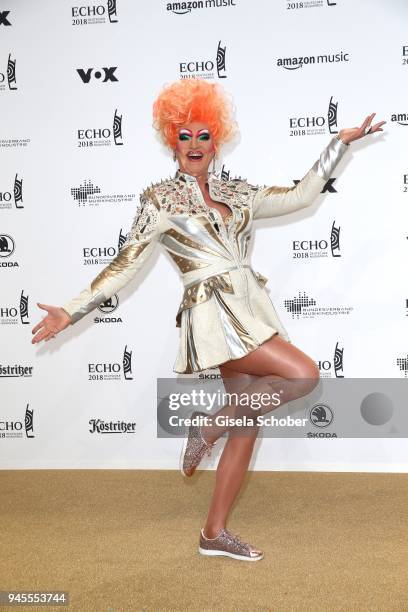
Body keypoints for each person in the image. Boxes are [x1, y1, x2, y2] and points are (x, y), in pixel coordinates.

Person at [31, 79, 385, 562]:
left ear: (216, 141)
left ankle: (213, 532)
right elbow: (125, 263)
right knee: (303, 375)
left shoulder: (239, 192)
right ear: (171, 141)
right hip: (213, 312)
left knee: (247, 422)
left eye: (203, 135)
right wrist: (72, 310)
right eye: (184, 135)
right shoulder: (158, 200)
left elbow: (301, 196)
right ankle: (208, 427)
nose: (194, 145)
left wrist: (337, 146)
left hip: (251, 307)